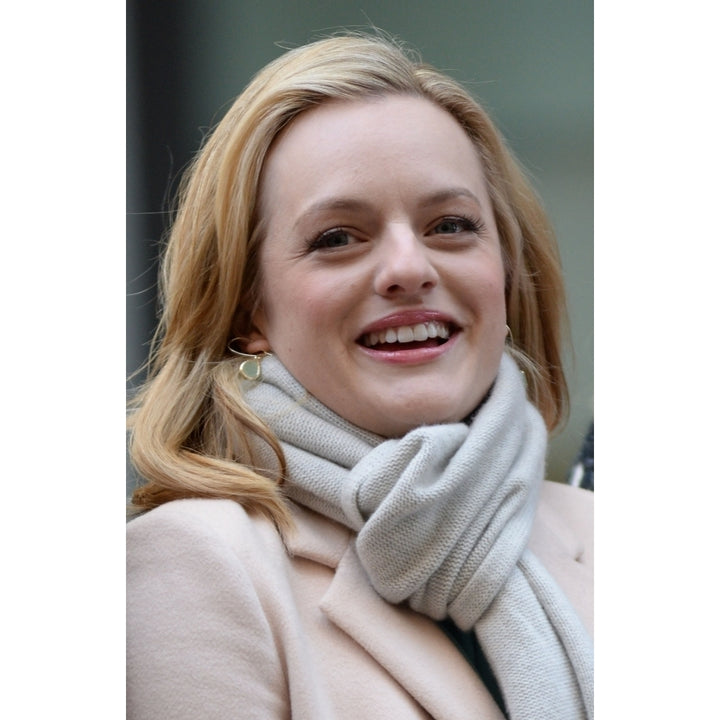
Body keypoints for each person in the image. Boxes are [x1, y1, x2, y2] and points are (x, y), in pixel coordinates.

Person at [126, 34, 593, 720]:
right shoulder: (197, 564)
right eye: (338, 238)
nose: (409, 267)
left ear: (505, 275)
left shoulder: (618, 533)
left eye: (452, 225)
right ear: (246, 310)